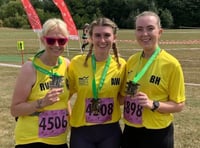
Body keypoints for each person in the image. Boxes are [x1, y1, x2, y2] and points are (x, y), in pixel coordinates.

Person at [121, 11, 186, 148]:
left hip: (157, 132)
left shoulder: (171, 64)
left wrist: (153, 104)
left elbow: (179, 105)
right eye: (139, 29)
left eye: (150, 28)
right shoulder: (132, 60)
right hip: (131, 129)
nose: (144, 34)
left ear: (160, 32)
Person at [11, 18, 70, 148]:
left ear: (67, 41)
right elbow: (15, 110)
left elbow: (65, 101)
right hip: (32, 139)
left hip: (59, 139)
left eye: (61, 40)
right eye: (51, 40)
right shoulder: (29, 68)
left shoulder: (66, 64)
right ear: (43, 40)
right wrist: (42, 102)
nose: (56, 45)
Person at [68, 17, 126, 148]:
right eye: (97, 35)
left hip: (110, 131)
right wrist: (69, 116)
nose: (102, 40)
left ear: (114, 38)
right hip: (82, 130)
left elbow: (121, 99)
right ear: (90, 38)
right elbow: (65, 96)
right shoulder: (77, 63)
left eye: (107, 35)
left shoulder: (121, 65)